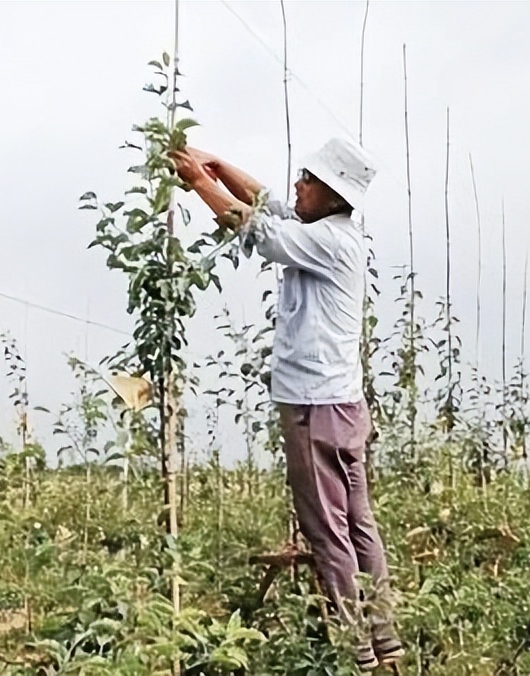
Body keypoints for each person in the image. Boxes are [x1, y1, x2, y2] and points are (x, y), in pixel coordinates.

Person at [170, 138, 404, 671]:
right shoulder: (330, 230)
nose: (298, 184)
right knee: (358, 523)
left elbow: (259, 229)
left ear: (333, 196)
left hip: (313, 409)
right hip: (341, 406)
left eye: (309, 180)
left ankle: (355, 651)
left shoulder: (329, 243)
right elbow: (270, 202)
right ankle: (385, 635)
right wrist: (218, 165)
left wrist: (198, 182)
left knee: (327, 530)